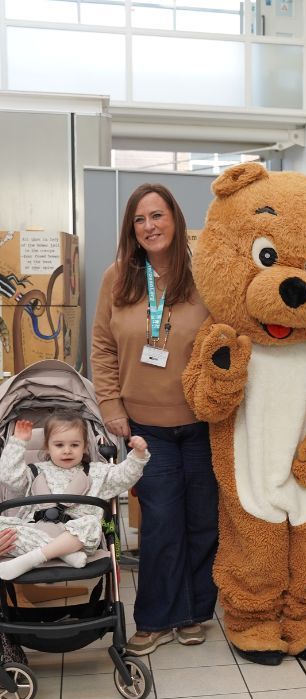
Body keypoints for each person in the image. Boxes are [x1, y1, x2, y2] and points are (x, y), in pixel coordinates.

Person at [91, 183, 219, 656]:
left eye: (158, 216)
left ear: (175, 220)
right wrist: (110, 406)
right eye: (141, 219)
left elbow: (226, 341)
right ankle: (154, 617)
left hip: (203, 421)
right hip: (144, 426)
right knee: (162, 520)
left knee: (203, 520)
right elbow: (102, 346)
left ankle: (193, 613)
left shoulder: (204, 274)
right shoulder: (117, 278)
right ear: (132, 229)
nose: (150, 226)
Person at [0, 413, 149, 580]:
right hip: (36, 529)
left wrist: (138, 454)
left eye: (74, 445)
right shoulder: (34, 472)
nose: (67, 450)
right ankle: (64, 554)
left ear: (84, 446)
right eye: (59, 445)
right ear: (47, 447)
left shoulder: (97, 473)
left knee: (92, 523)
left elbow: (124, 475)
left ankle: (30, 559)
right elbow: (9, 477)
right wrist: (17, 442)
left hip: (76, 537)